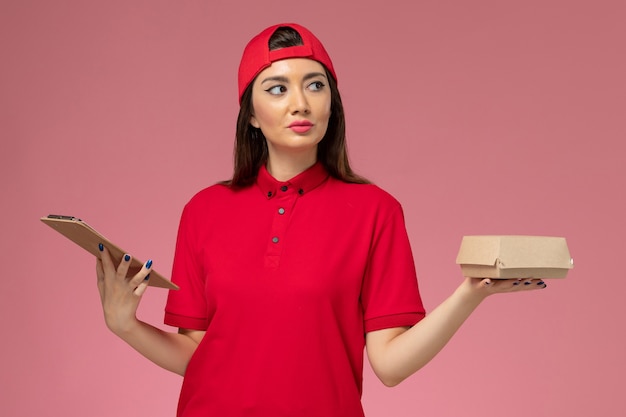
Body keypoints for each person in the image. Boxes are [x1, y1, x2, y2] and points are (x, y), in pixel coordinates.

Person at [96, 23, 547, 417]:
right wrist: (125, 326)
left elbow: (389, 365)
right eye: (277, 88)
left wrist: (469, 295)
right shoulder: (203, 211)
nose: (301, 103)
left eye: (315, 85)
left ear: (332, 103)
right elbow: (198, 353)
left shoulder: (376, 211)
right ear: (251, 114)